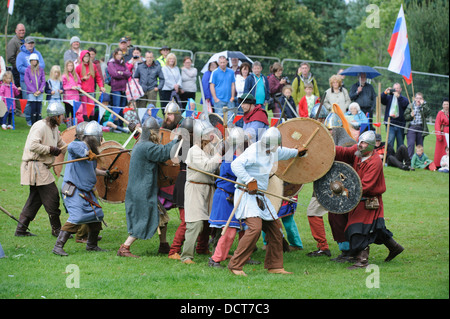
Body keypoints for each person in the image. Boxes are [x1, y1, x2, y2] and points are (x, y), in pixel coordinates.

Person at [227, 127, 307, 276]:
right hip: (247, 195)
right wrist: (249, 179)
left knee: (276, 230)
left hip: (261, 196)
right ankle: (235, 265)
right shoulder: (254, 150)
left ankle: (274, 265)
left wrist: (297, 152)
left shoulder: (274, 151)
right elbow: (235, 165)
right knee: (255, 228)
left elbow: (284, 153)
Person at [335, 131, 404, 269]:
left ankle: (362, 261)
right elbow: (344, 152)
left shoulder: (375, 162)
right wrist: (327, 146)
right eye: (360, 141)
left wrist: (346, 190)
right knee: (377, 230)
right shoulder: (358, 152)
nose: (360, 145)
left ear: (371, 146)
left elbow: (366, 186)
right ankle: (395, 247)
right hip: (358, 198)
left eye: (364, 143)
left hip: (369, 201)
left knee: (358, 229)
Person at [117, 117, 180, 258]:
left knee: (162, 216)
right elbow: (164, 153)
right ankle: (124, 247)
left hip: (141, 189)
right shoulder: (146, 147)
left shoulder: (142, 143)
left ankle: (163, 245)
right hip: (141, 191)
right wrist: (178, 140)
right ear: (153, 133)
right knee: (143, 219)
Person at [52, 121, 110, 256]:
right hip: (74, 190)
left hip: (86, 191)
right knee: (77, 217)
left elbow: (91, 170)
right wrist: (86, 153)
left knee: (97, 215)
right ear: (93, 137)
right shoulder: (78, 146)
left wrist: (106, 173)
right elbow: (72, 147)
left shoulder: (92, 152)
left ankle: (92, 245)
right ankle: (58, 246)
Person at [15, 101, 67, 237]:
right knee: (53, 196)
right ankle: (57, 230)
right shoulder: (40, 126)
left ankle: (20, 230)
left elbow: (62, 145)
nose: (63, 118)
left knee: (34, 200)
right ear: (55, 116)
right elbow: (33, 145)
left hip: (42, 167)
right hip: (36, 166)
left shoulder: (54, 128)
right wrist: (50, 149)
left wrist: (80, 149)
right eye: (61, 115)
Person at [180, 120, 223, 264]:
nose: (211, 136)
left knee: (216, 222)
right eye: (208, 134)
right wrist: (219, 155)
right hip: (195, 189)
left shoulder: (208, 148)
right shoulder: (194, 151)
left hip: (210, 188)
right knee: (196, 222)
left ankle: (216, 252)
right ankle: (186, 256)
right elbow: (207, 167)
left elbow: (215, 168)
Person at [208, 127, 250, 268]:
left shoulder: (240, 155)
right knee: (229, 231)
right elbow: (236, 171)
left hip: (237, 196)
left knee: (245, 228)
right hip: (225, 197)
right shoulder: (228, 158)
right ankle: (215, 259)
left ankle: (243, 256)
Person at [168, 117, 194, 259]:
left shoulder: (180, 142)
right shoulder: (187, 145)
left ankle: (201, 247)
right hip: (186, 181)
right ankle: (173, 251)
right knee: (186, 220)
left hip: (185, 179)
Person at [16, 36, 45, 126]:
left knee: (37, 101)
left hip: (38, 82)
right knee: (28, 101)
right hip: (25, 81)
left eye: (32, 43)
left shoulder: (38, 53)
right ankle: (29, 118)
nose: (30, 45)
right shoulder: (21, 55)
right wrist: (31, 71)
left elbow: (42, 65)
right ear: (25, 44)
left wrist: (36, 70)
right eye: (29, 43)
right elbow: (19, 67)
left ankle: (37, 118)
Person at [75, 50, 106, 122]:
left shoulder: (93, 66)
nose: (86, 57)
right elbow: (76, 80)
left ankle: (91, 123)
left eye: (88, 56)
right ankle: (86, 123)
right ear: (82, 57)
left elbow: (98, 77)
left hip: (92, 91)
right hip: (83, 91)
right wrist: (83, 79)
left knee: (91, 108)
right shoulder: (78, 67)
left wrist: (101, 86)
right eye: (85, 56)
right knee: (85, 108)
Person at [381, 83, 410, 152]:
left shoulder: (404, 99)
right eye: (395, 88)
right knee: (390, 141)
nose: (396, 90)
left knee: (400, 143)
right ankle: (389, 158)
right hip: (390, 124)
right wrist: (385, 92)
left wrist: (398, 97)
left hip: (400, 124)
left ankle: (398, 159)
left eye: (397, 88)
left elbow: (405, 104)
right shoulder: (389, 98)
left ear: (400, 89)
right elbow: (382, 100)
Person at [404, 92, 431, 159]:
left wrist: (423, 105)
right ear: (415, 98)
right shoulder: (410, 105)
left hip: (420, 127)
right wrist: (410, 115)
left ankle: (419, 160)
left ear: (423, 99)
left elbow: (427, 113)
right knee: (411, 144)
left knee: (420, 145)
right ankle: (410, 159)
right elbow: (405, 116)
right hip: (411, 127)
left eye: (420, 98)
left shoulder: (424, 106)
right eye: (417, 98)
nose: (418, 100)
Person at [24, 53, 45, 125]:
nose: (33, 62)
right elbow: (27, 82)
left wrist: (40, 90)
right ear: (30, 61)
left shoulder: (41, 70)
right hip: (31, 93)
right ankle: (33, 124)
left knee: (38, 108)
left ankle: (38, 124)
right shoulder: (27, 70)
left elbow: (43, 81)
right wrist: (33, 91)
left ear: (37, 61)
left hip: (39, 92)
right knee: (33, 108)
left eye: (35, 60)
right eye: (32, 60)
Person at [62, 60, 81, 127]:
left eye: (71, 66)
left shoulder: (76, 75)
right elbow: (63, 86)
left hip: (75, 97)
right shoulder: (64, 76)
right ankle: (68, 126)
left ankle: (74, 126)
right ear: (66, 67)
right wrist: (71, 87)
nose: (70, 67)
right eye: (69, 66)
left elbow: (79, 83)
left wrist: (78, 87)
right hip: (68, 98)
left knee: (74, 112)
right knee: (68, 112)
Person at [6, 23, 26, 88]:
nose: (22, 32)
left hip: (25, 71)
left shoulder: (25, 41)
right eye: (20, 30)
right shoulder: (13, 42)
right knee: (19, 92)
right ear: (16, 31)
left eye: (23, 30)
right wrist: (18, 66)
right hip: (17, 72)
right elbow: (10, 57)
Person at [433, 98, 449, 169]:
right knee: (440, 149)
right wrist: (439, 135)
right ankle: (438, 164)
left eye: (447, 104)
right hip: (442, 133)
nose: (446, 106)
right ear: (442, 105)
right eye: (445, 104)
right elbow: (437, 124)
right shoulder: (440, 113)